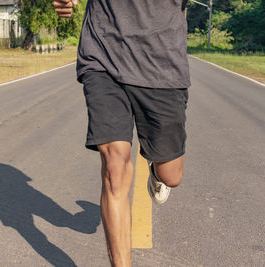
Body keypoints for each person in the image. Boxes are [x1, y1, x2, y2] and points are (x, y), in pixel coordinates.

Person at [53, 0, 190, 266]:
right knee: (115, 166)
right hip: (103, 56)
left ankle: (155, 168)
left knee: (170, 175)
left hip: (162, 65)